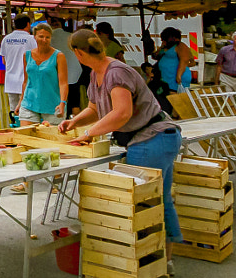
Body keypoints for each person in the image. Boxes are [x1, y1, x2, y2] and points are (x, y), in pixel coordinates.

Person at [64, 28, 187, 240]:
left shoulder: (116, 72)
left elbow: (122, 113)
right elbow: (95, 109)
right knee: (159, 199)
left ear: (78, 53)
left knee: (144, 203)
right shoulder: (97, 73)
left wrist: (88, 133)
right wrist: (75, 121)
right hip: (156, 137)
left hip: (151, 138)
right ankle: (162, 262)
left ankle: (149, 259)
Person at [19, 21, 69, 126]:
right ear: (34, 37)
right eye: (41, 37)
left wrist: (62, 102)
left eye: (48, 37)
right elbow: (26, 81)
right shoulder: (27, 55)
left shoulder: (58, 56)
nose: (44, 40)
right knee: (25, 138)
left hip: (52, 105)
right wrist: (20, 102)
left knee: (51, 139)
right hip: (29, 103)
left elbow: (63, 83)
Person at [0, 17, 37, 104]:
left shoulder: (6, 39)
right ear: (28, 24)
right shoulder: (31, 39)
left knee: (13, 111)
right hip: (27, 83)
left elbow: (4, 61)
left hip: (10, 82)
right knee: (26, 111)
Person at [153, 27, 194, 96]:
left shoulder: (180, 46)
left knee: (174, 98)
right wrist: (161, 48)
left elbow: (184, 60)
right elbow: (155, 56)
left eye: (164, 39)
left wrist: (179, 76)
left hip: (176, 78)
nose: (163, 41)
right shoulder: (165, 47)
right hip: (166, 77)